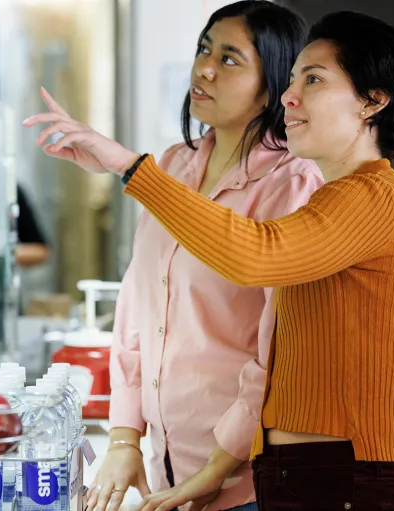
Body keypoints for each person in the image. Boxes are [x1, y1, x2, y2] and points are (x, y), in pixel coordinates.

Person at [23, 10, 394, 511]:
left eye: (313, 80)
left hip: (322, 482)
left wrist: (364, 455)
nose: (289, 97)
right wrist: (364, 450)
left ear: (372, 101)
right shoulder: (340, 201)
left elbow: (255, 255)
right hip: (294, 475)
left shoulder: (365, 198)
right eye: (294, 79)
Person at [80, 3, 322, 511]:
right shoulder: (172, 164)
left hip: (246, 484)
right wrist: (125, 436)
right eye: (204, 48)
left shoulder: (292, 184)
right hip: (165, 467)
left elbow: (279, 349)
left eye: (230, 59)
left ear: (273, 85)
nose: (204, 68)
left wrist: (220, 465)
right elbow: (137, 306)